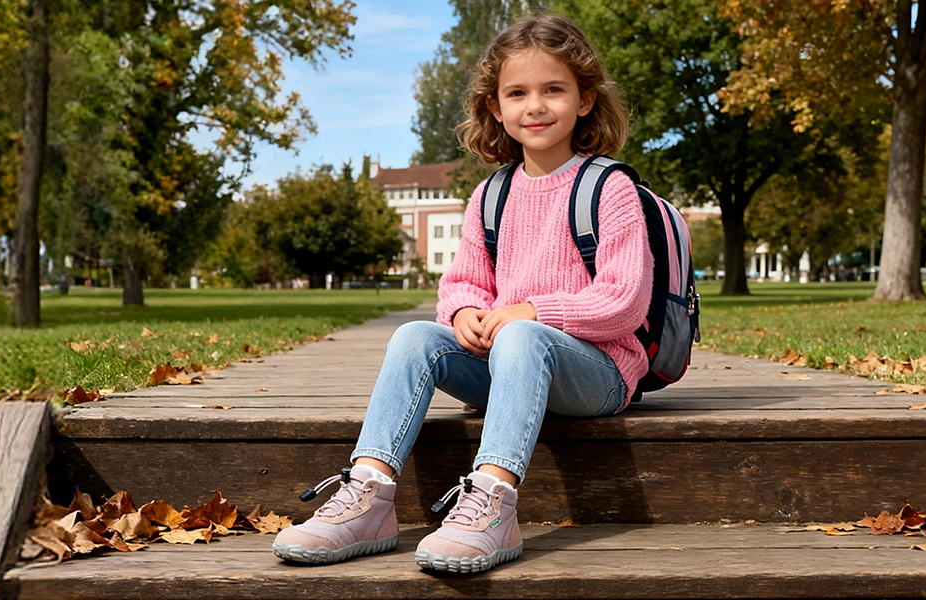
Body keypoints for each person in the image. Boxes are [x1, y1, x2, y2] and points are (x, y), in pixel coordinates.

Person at [272, 13, 650, 574]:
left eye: (554, 89)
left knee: (523, 333)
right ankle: (369, 497)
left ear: (586, 99)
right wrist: (467, 311)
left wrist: (533, 311)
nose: (535, 106)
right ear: (496, 108)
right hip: (509, 362)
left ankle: (492, 504)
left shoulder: (609, 187)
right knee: (417, 336)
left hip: (596, 373)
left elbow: (625, 301)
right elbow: (463, 282)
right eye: (517, 93)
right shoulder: (490, 196)